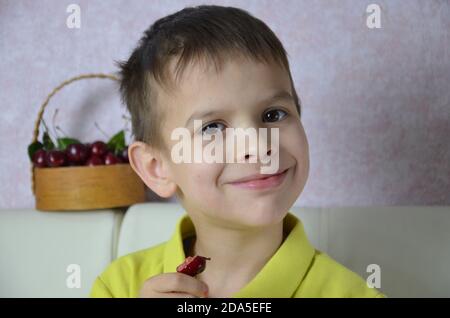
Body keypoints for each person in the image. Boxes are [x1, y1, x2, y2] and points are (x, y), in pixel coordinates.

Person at [90, 5, 385, 298]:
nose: (257, 147)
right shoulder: (119, 287)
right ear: (156, 167)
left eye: (273, 115)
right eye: (212, 128)